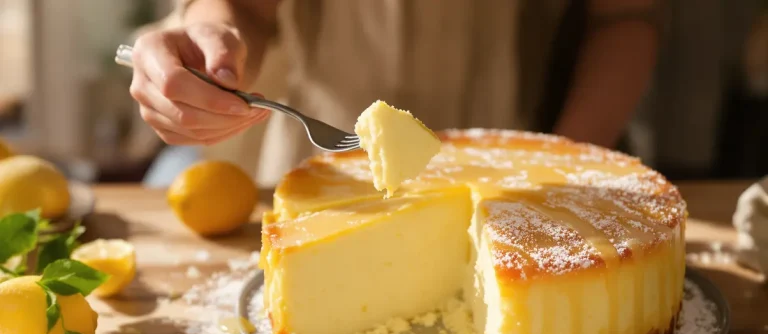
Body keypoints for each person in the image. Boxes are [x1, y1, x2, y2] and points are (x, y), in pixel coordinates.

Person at [130, 0, 662, 186]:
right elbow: (246, 8)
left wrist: (560, 168)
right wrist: (212, 42)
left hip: (502, 170)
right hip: (309, 166)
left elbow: (623, 16)